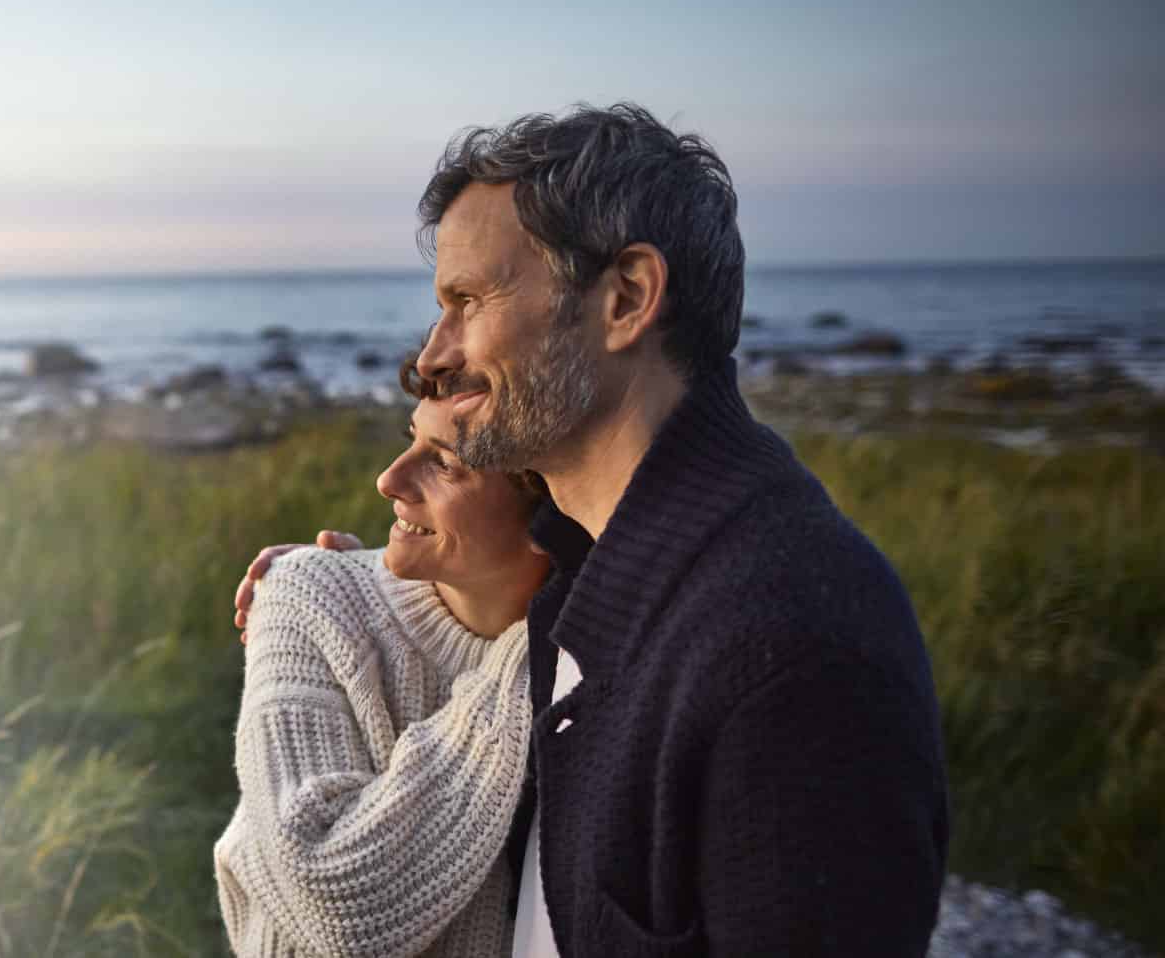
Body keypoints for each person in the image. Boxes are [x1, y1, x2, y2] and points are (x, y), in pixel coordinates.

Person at [233, 103, 949, 956]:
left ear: (627, 299)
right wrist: (347, 598)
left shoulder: (791, 644)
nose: (431, 356)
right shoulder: (588, 582)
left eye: (468, 300)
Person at [214, 368, 553, 956]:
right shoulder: (310, 594)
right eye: (410, 439)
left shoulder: (594, 658)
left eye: (444, 463)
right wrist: (531, 654)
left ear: (555, 518)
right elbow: (335, 900)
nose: (389, 479)